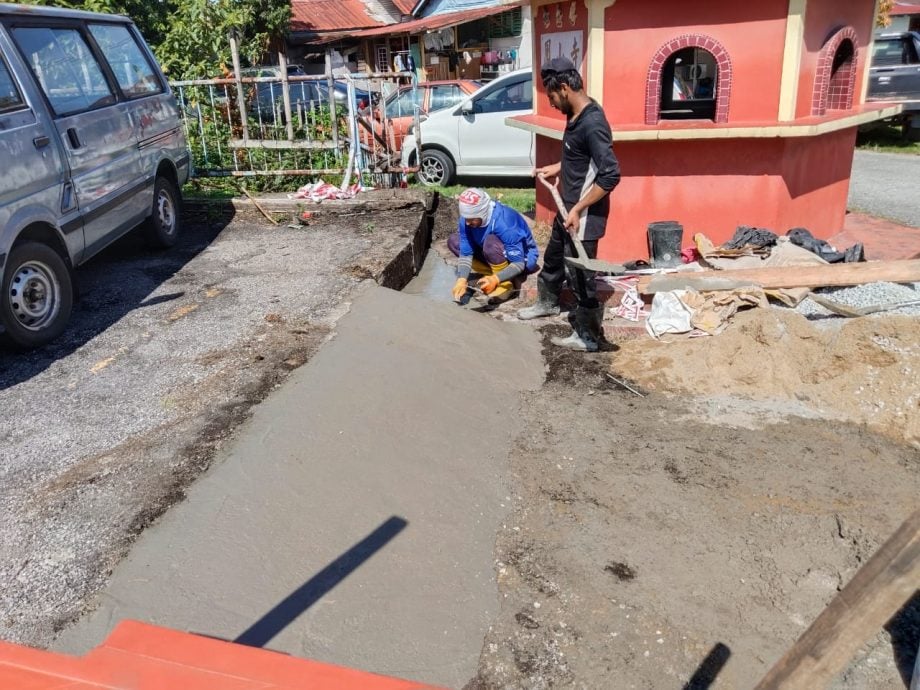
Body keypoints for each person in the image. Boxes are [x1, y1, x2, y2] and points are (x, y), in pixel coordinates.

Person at [517, 57, 621, 352]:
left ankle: (589, 336)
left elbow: (611, 173)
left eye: (551, 96)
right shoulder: (574, 116)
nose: (551, 103)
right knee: (552, 260)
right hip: (568, 208)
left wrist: (577, 209)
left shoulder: (593, 123)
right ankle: (547, 304)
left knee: (580, 275)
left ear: (564, 88)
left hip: (584, 215)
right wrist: (558, 167)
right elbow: (580, 156)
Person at [449, 188, 539, 303]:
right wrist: (461, 279)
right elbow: (466, 253)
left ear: (483, 213)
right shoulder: (466, 220)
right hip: (493, 252)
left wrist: (496, 279)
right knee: (454, 242)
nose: (467, 223)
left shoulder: (505, 223)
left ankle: (505, 285)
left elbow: (518, 263)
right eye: (466, 218)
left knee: (490, 243)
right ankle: (489, 275)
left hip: (522, 258)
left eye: (472, 219)